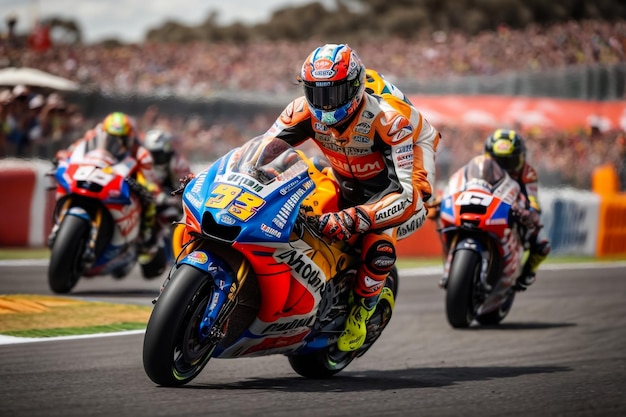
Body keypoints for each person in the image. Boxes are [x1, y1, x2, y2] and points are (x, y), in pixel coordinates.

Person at [261, 43, 440, 351]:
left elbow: (408, 196)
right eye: (316, 92)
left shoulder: (389, 122)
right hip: (346, 176)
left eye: (332, 93)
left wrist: (355, 217)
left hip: (402, 177)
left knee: (378, 241)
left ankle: (362, 312)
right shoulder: (301, 110)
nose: (324, 103)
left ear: (355, 88)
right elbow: (260, 152)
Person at [53, 112, 161, 256]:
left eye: (122, 139)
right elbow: (71, 153)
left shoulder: (141, 154)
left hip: (125, 190)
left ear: (130, 137)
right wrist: (62, 158)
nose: (116, 143)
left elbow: (150, 182)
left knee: (151, 202)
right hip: (95, 176)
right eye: (111, 138)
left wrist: (144, 187)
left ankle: (145, 236)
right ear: (103, 133)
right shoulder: (90, 137)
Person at [483, 128, 551, 290]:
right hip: (485, 206)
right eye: (498, 162)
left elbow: (533, 198)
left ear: (520, 158)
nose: (504, 168)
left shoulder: (528, 173)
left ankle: (527, 273)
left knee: (543, 245)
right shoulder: (481, 168)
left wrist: (530, 212)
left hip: (515, 211)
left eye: (509, 161)